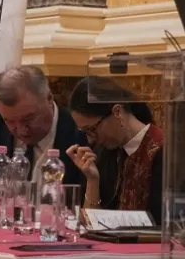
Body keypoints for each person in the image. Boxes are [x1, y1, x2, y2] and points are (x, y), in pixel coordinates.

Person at [0, 65, 83, 196]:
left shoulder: (79, 129)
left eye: (28, 119)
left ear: (49, 99)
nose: (21, 130)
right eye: (9, 121)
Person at [65, 77, 165, 224]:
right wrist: (92, 180)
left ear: (117, 112)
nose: (90, 140)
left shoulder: (162, 150)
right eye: (84, 132)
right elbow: (90, 224)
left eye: (92, 129)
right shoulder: (104, 152)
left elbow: (162, 222)